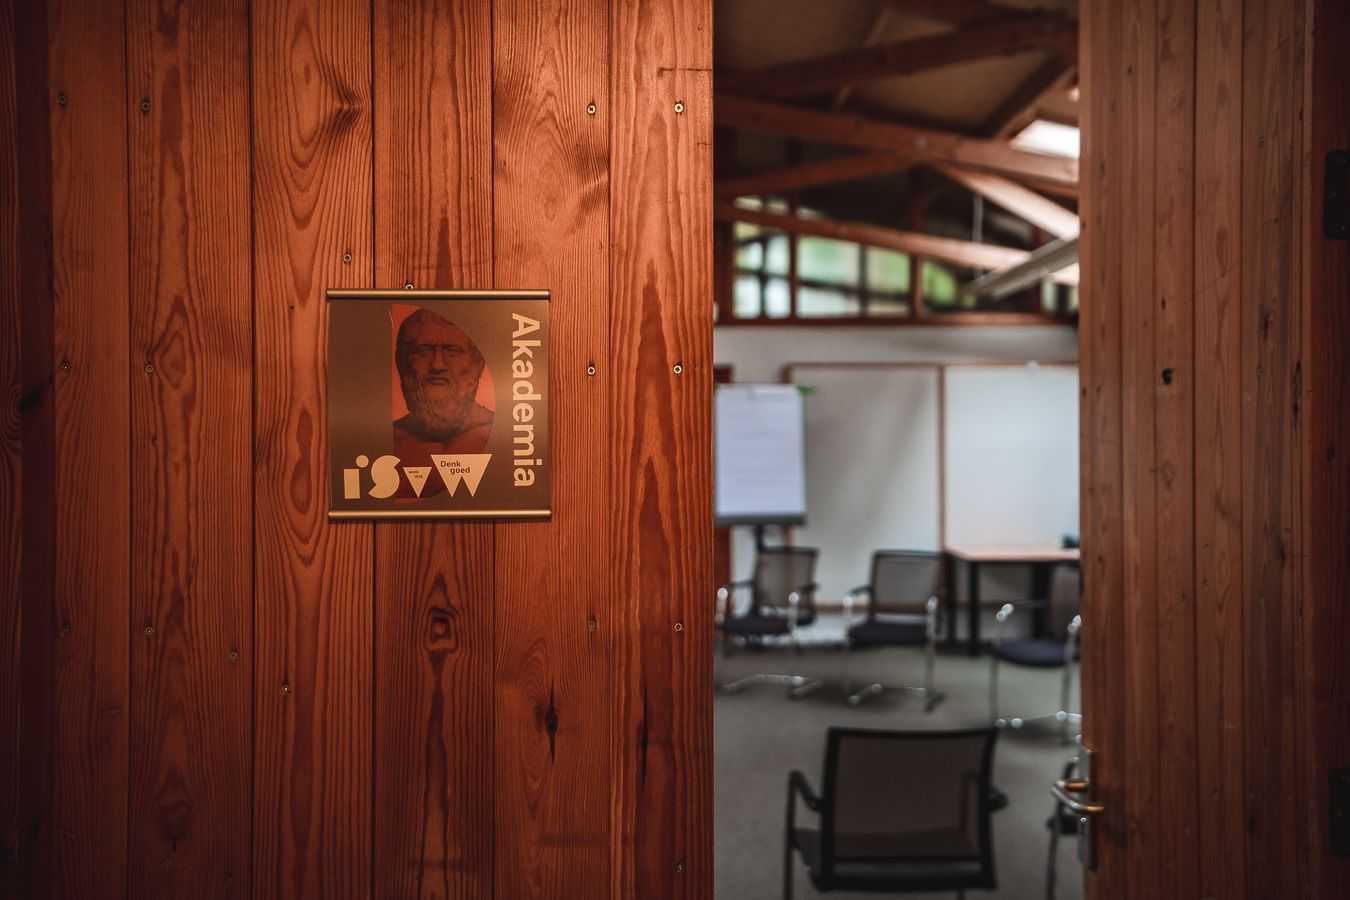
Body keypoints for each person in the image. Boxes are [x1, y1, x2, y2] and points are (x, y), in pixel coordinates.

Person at [392, 308, 493, 496]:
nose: (437, 365)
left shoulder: (508, 437)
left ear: (478, 363)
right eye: (423, 351)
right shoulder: (385, 443)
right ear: (402, 362)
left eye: (452, 351)